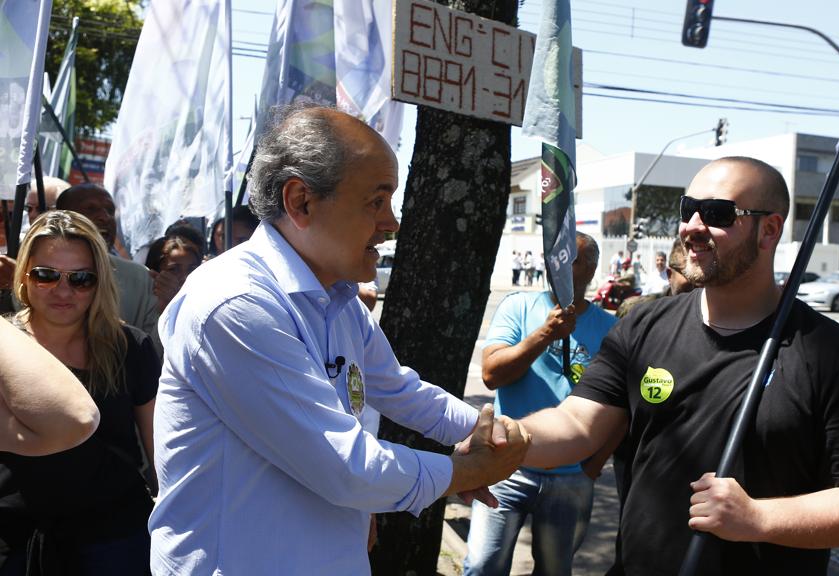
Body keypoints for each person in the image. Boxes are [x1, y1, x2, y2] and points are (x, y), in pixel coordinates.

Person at [148, 106, 528, 575]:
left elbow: (399, 388)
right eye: (376, 201)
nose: (391, 223)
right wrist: (465, 472)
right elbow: (345, 465)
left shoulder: (339, 298)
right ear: (301, 201)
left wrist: (484, 432)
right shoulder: (234, 304)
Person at [517, 157, 839, 575]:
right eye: (689, 209)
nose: (692, 227)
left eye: (718, 213)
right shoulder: (643, 325)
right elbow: (577, 426)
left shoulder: (833, 353)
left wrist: (758, 519)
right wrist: (506, 440)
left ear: (769, 230)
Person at [1, 210, 160, 575]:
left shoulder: (130, 347)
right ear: (24, 274)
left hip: (115, 537)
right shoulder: (5, 344)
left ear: (99, 281)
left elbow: (159, 449)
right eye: (46, 275)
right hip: (15, 537)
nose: (62, 290)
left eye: (81, 279)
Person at [463, 232, 618, 576]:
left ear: (591, 268)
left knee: (554, 569)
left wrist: (592, 466)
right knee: (483, 565)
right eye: (553, 257)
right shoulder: (518, 307)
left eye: (570, 259)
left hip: (572, 478)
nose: (557, 265)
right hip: (506, 467)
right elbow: (491, 374)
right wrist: (543, 336)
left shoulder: (611, 328)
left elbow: (618, 408)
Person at [56, 184, 159, 342]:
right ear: (61, 217)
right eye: (91, 209)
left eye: (110, 211)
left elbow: (154, 351)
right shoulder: (38, 273)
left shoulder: (141, 279)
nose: (105, 217)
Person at [0, 316, 99, 456]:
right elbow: (77, 417)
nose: (63, 293)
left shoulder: (127, 343)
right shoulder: (8, 338)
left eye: (82, 291)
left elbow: (79, 418)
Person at [145, 235, 204, 314]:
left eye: (191, 269)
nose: (184, 277)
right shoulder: (142, 307)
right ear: (154, 273)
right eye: (173, 269)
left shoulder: (204, 304)